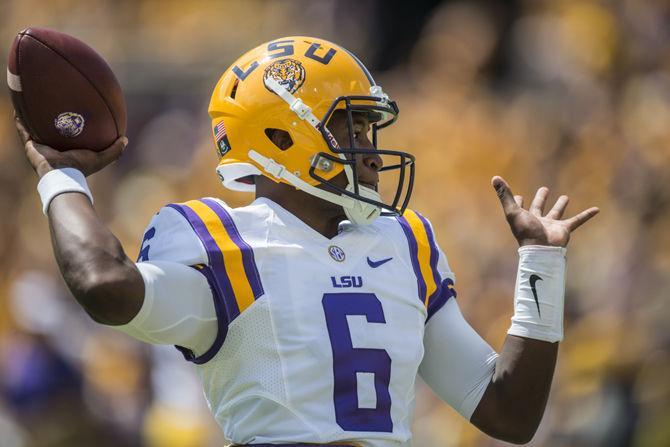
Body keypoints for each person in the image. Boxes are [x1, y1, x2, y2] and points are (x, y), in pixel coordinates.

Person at [16, 36, 598, 446]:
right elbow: (104, 284)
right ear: (281, 134)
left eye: (371, 128)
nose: (371, 150)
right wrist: (60, 176)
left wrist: (539, 264)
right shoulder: (222, 242)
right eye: (352, 127)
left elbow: (508, 412)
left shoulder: (403, 241)